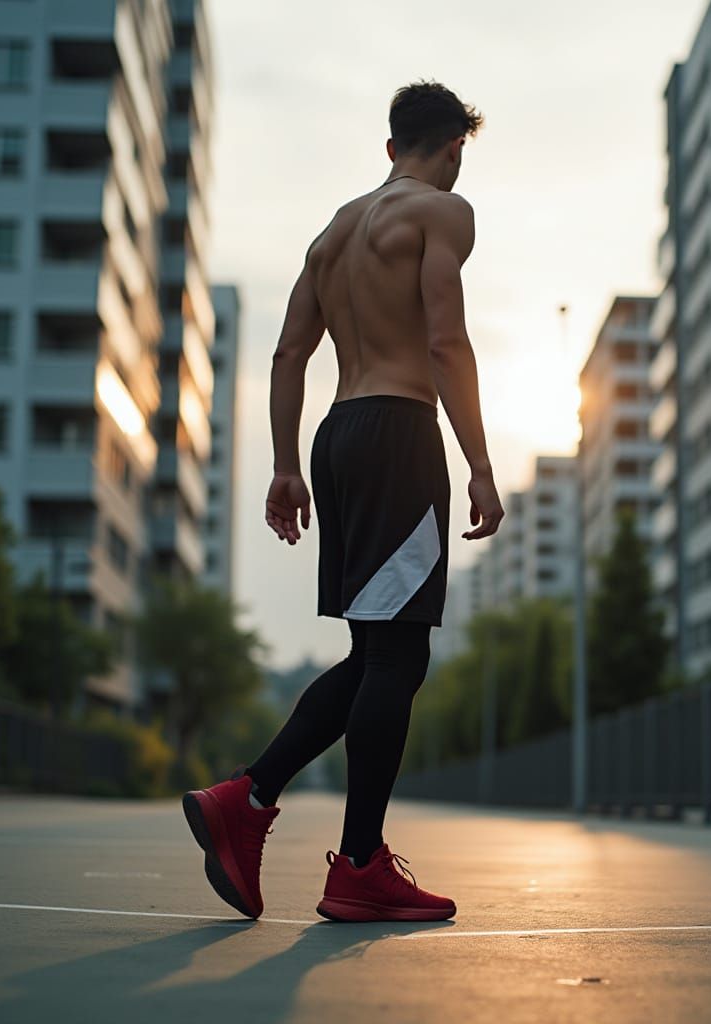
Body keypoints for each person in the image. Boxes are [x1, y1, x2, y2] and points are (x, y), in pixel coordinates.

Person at [183, 79, 503, 923]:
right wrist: (478, 461)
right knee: (398, 659)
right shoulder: (442, 213)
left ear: (389, 144)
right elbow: (443, 339)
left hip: (335, 435)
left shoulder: (331, 233)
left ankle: (246, 801)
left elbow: (290, 352)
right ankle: (357, 864)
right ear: (452, 150)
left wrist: (286, 466)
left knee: (375, 653)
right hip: (401, 433)